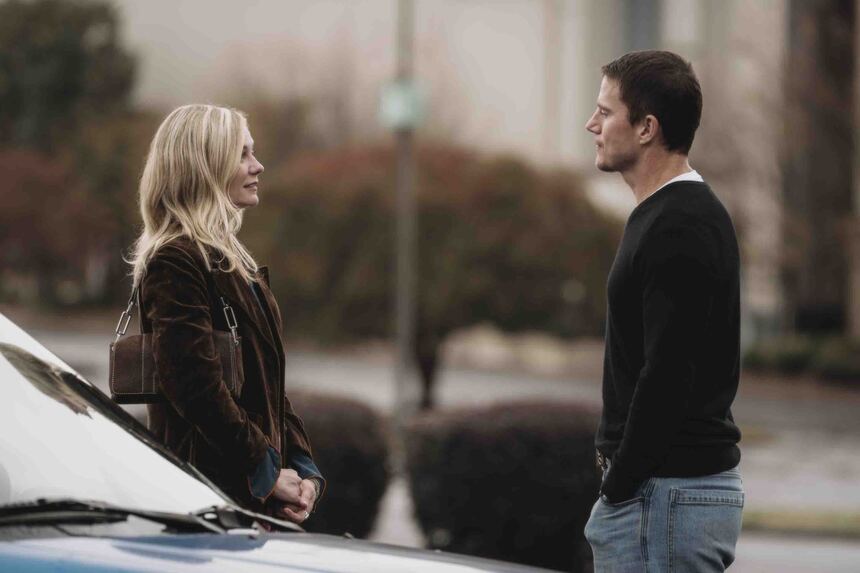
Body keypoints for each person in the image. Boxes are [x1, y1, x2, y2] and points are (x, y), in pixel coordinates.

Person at [582, 51, 744, 571]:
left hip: (663, 498)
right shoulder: (665, 215)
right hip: (660, 497)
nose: (592, 125)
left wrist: (620, 486)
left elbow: (670, 371)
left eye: (605, 112)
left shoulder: (680, 223)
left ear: (647, 128)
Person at [129, 104, 324, 524]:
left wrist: (302, 469)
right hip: (205, 505)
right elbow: (194, 385)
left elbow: (267, 383)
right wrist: (265, 470)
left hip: (245, 500)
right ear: (205, 166)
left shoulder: (233, 263)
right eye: (242, 154)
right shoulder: (176, 260)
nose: (258, 165)